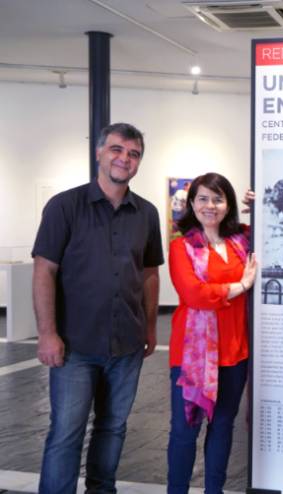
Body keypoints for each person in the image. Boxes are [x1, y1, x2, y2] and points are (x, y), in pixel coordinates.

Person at [32, 123, 163, 494]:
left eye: (134, 154)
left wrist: (150, 327)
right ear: (99, 152)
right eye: (117, 149)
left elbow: (149, 274)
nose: (125, 159)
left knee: (113, 428)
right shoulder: (64, 206)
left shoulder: (147, 213)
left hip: (127, 345)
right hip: (75, 346)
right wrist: (47, 334)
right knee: (66, 433)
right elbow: (44, 270)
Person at [167, 172, 257, 493]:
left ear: (228, 204)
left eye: (218, 199)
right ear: (192, 203)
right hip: (192, 356)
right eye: (203, 198)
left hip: (235, 352)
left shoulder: (241, 241)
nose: (210, 205)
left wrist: (260, 208)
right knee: (185, 431)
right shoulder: (181, 247)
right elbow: (194, 294)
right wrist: (241, 285)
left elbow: (277, 228)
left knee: (222, 428)